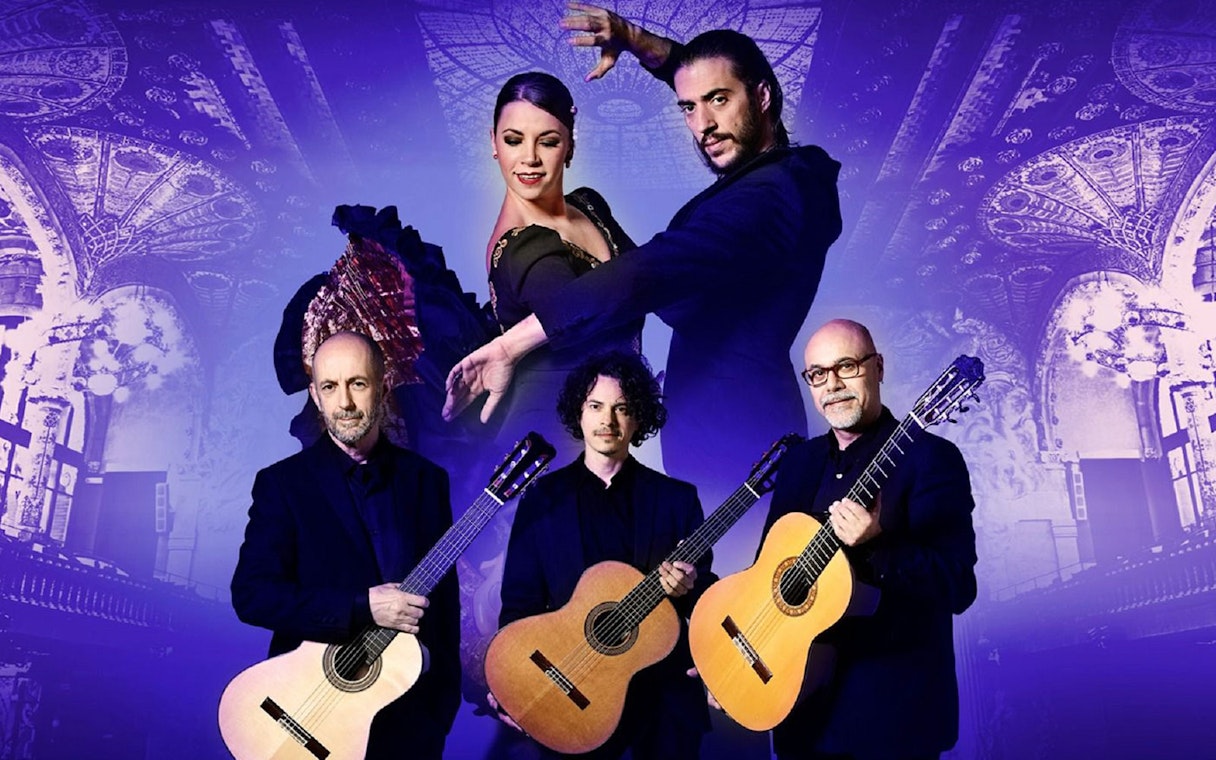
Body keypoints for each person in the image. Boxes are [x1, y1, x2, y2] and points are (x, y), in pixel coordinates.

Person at [444, 14, 843, 559]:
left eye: (719, 102)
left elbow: (650, 272)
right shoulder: (778, 174)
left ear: (764, 96)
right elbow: (704, 75)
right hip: (711, 443)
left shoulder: (775, 196)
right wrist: (637, 43)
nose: (702, 124)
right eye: (689, 108)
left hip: (739, 447)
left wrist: (510, 344)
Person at [230, 331, 461, 759]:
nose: (345, 403)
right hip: (312, 714)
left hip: (409, 724)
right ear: (316, 397)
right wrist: (360, 606)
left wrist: (439, 714)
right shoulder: (283, 485)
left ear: (383, 386)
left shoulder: (427, 481)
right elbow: (252, 596)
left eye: (358, 383)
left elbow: (445, 607)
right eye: (330, 388)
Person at [759, 319, 978, 760]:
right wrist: (731, 662)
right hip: (803, 716)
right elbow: (770, 576)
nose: (833, 385)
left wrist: (878, 544)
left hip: (892, 722)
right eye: (818, 374)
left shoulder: (932, 459)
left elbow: (958, 586)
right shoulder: (800, 463)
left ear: (878, 367)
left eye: (847, 366)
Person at [492, 350, 713, 759]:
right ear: (579, 411)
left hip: (662, 704)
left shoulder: (677, 500)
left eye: (621, 408)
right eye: (595, 406)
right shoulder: (542, 500)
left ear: (638, 418)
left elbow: (706, 600)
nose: (607, 421)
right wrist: (514, 682)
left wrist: (688, 587)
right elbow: (518, 608)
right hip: (574, 698)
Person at [486, 71, 642, 461]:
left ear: (570, 145)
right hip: (550, 446)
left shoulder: (589, 204)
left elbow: (641, 281)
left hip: (602, 436)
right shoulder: (520, 246)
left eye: (549, 141)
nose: (529, 159)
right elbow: (586, 316)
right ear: (494, 144)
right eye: (513, 140)